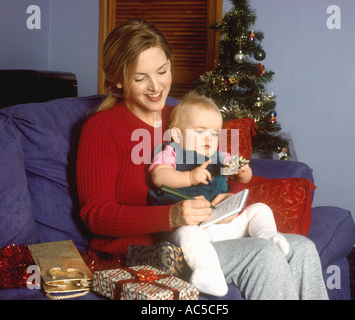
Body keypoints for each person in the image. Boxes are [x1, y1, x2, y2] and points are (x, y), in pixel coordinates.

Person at [76, 18, 328, 299]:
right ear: (118, 82)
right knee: (263, 254)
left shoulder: (182, 115)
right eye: (140, 78)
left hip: (203, 234)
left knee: (303, 249)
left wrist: (226, 199)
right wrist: (169, 215)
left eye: (162, 71)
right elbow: (94, 215)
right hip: (142, 251)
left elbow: (219, 168)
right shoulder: (102, 127)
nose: (156, 86)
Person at [148, 92, 290, 296]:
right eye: (200, 131)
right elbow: (159, 176)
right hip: (195, 228)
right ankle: (210, 274)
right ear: (178, 135)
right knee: (188, 234)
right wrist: (189, 177)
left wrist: (243, 171)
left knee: (260, 209)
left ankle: (267, 236)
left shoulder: (219, 156)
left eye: (214, 133)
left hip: (223, 223)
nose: (209, 138)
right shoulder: (171, 151)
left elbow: (246, 177)